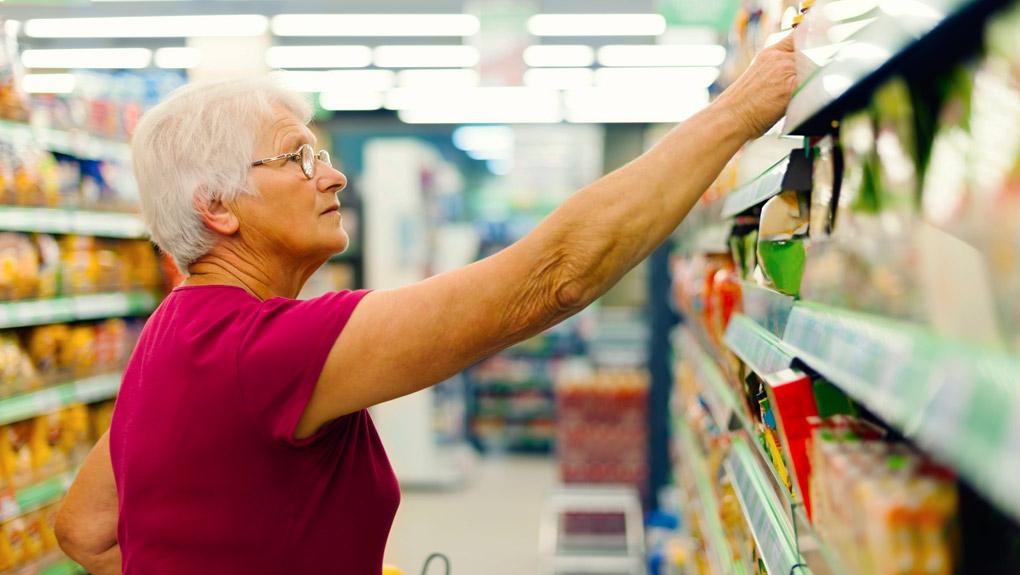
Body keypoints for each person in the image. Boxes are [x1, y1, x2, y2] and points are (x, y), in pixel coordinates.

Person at [53, 33, 797, 574]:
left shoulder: (168, 336)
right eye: (300, 157)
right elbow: (556, 275)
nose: (335, 175)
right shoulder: (266, 348)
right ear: (216, 205)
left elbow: (84, 527)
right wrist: (743, 110)